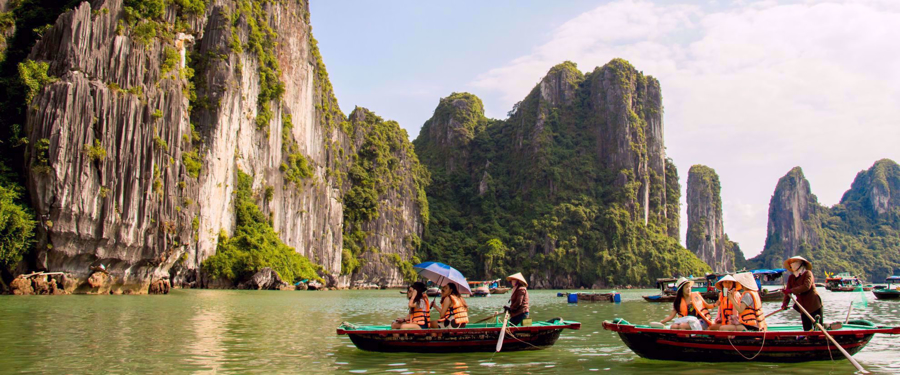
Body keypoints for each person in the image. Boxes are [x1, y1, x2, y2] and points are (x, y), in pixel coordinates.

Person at [781, 256, 824, 331]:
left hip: (814, 304)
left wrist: (791, 290)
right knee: (807, 328)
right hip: (803, 307)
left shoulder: (808, 273)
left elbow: (806, 286)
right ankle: (809, 339)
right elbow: (787, 292)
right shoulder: (791, 277)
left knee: (818, 327)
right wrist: (785, 304)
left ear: (800, 264)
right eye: (791, 263)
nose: (792, 265)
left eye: (794, 263)